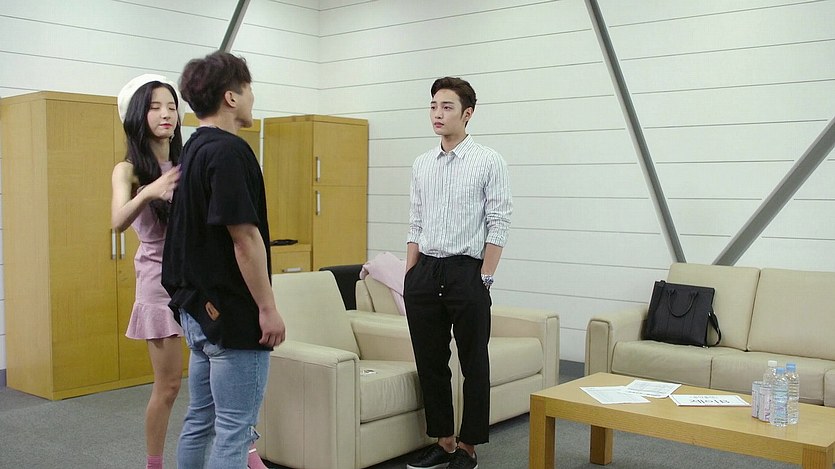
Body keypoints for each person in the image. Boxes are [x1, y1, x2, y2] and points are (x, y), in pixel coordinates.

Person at [161, 51, 285, 469]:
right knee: (235, 429)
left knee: (200, 421)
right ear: (231, 97)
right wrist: (267, 309)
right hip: (230, 316)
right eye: (248, 89)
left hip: (199, 312)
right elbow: (244, 238)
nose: (253, 98)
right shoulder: (229, 152)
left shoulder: (193, 148)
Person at [404, 77, 512, 469]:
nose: (437, 113)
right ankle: (444, 441)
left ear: (468, 114)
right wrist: (410, 274)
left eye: (447, 107)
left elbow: (499, 222)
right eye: (433, 106)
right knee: (430, 363)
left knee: (473, 363)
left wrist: (485, 278)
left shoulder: (488, 161)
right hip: (425, 271)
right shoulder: (422, 164)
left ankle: (468, 447)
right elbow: (415, 222)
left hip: (468, 272)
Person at [112, 74, 184, 469]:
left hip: (198, 279)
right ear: (139, 115)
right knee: (168, 386)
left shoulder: (187, 161)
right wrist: (150, 192)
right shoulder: (128, 170)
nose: (165, 114)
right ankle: (153, 463)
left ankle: (246, 452)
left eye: (171, 106)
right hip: (157, 283)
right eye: (155, 107)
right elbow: (117, 221)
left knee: (221, 379)